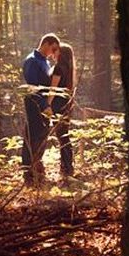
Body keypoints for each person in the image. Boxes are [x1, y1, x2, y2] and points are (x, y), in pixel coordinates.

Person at [21, 33, 60, 184]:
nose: (54, 52)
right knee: (32, 137)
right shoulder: (32, 60)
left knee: (41, 138)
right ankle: (28, 175)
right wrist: (44, 106)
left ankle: (37, 169)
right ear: (46, 44)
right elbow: (33, 88)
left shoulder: (45, 62)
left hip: (45, 107)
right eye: (53, 48)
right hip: (34, 105)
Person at [45, 42, 75, 177]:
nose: (53, 52)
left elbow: (53, 89)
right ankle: (67, 167)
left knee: (62, 137)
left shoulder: (58, 68)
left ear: (61, 53)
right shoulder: (68, 69)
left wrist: (47, 105)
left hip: (57, 106)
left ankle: (67, 168)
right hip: (65, 105)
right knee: (64, 136)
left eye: (56, 50)